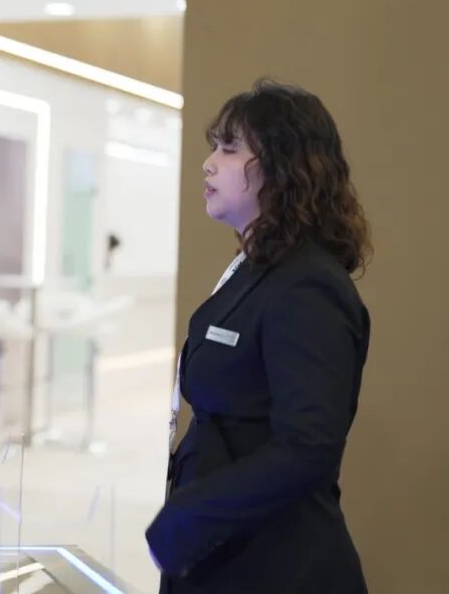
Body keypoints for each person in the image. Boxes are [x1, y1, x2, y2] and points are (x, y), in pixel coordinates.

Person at [145, 80, 371, 593]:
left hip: (277, 567)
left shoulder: (307, 284)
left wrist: (192, 513)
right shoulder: (256, 269)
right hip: (225, 557)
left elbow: (308, 446)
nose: (208, 164)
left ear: (282, 165)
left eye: (229, 148)